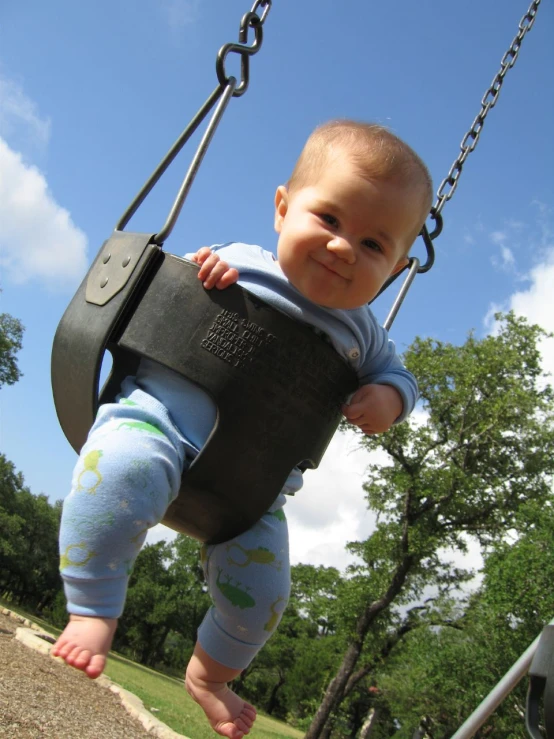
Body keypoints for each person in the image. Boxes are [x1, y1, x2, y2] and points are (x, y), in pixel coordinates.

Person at [52, 120, 432, 739]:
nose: (342, 248)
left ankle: (209, 676)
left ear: (393, 270)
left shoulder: (368, 337)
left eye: (372, 245)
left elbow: (403, 380)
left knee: (264, 599)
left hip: (250, 495)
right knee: (118, 474)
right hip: (155, 425)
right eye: (329, 221)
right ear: (283, 209)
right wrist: (207, 267)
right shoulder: (243, 262)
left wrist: (388, 397)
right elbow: (186, 285)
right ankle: (93, 607)